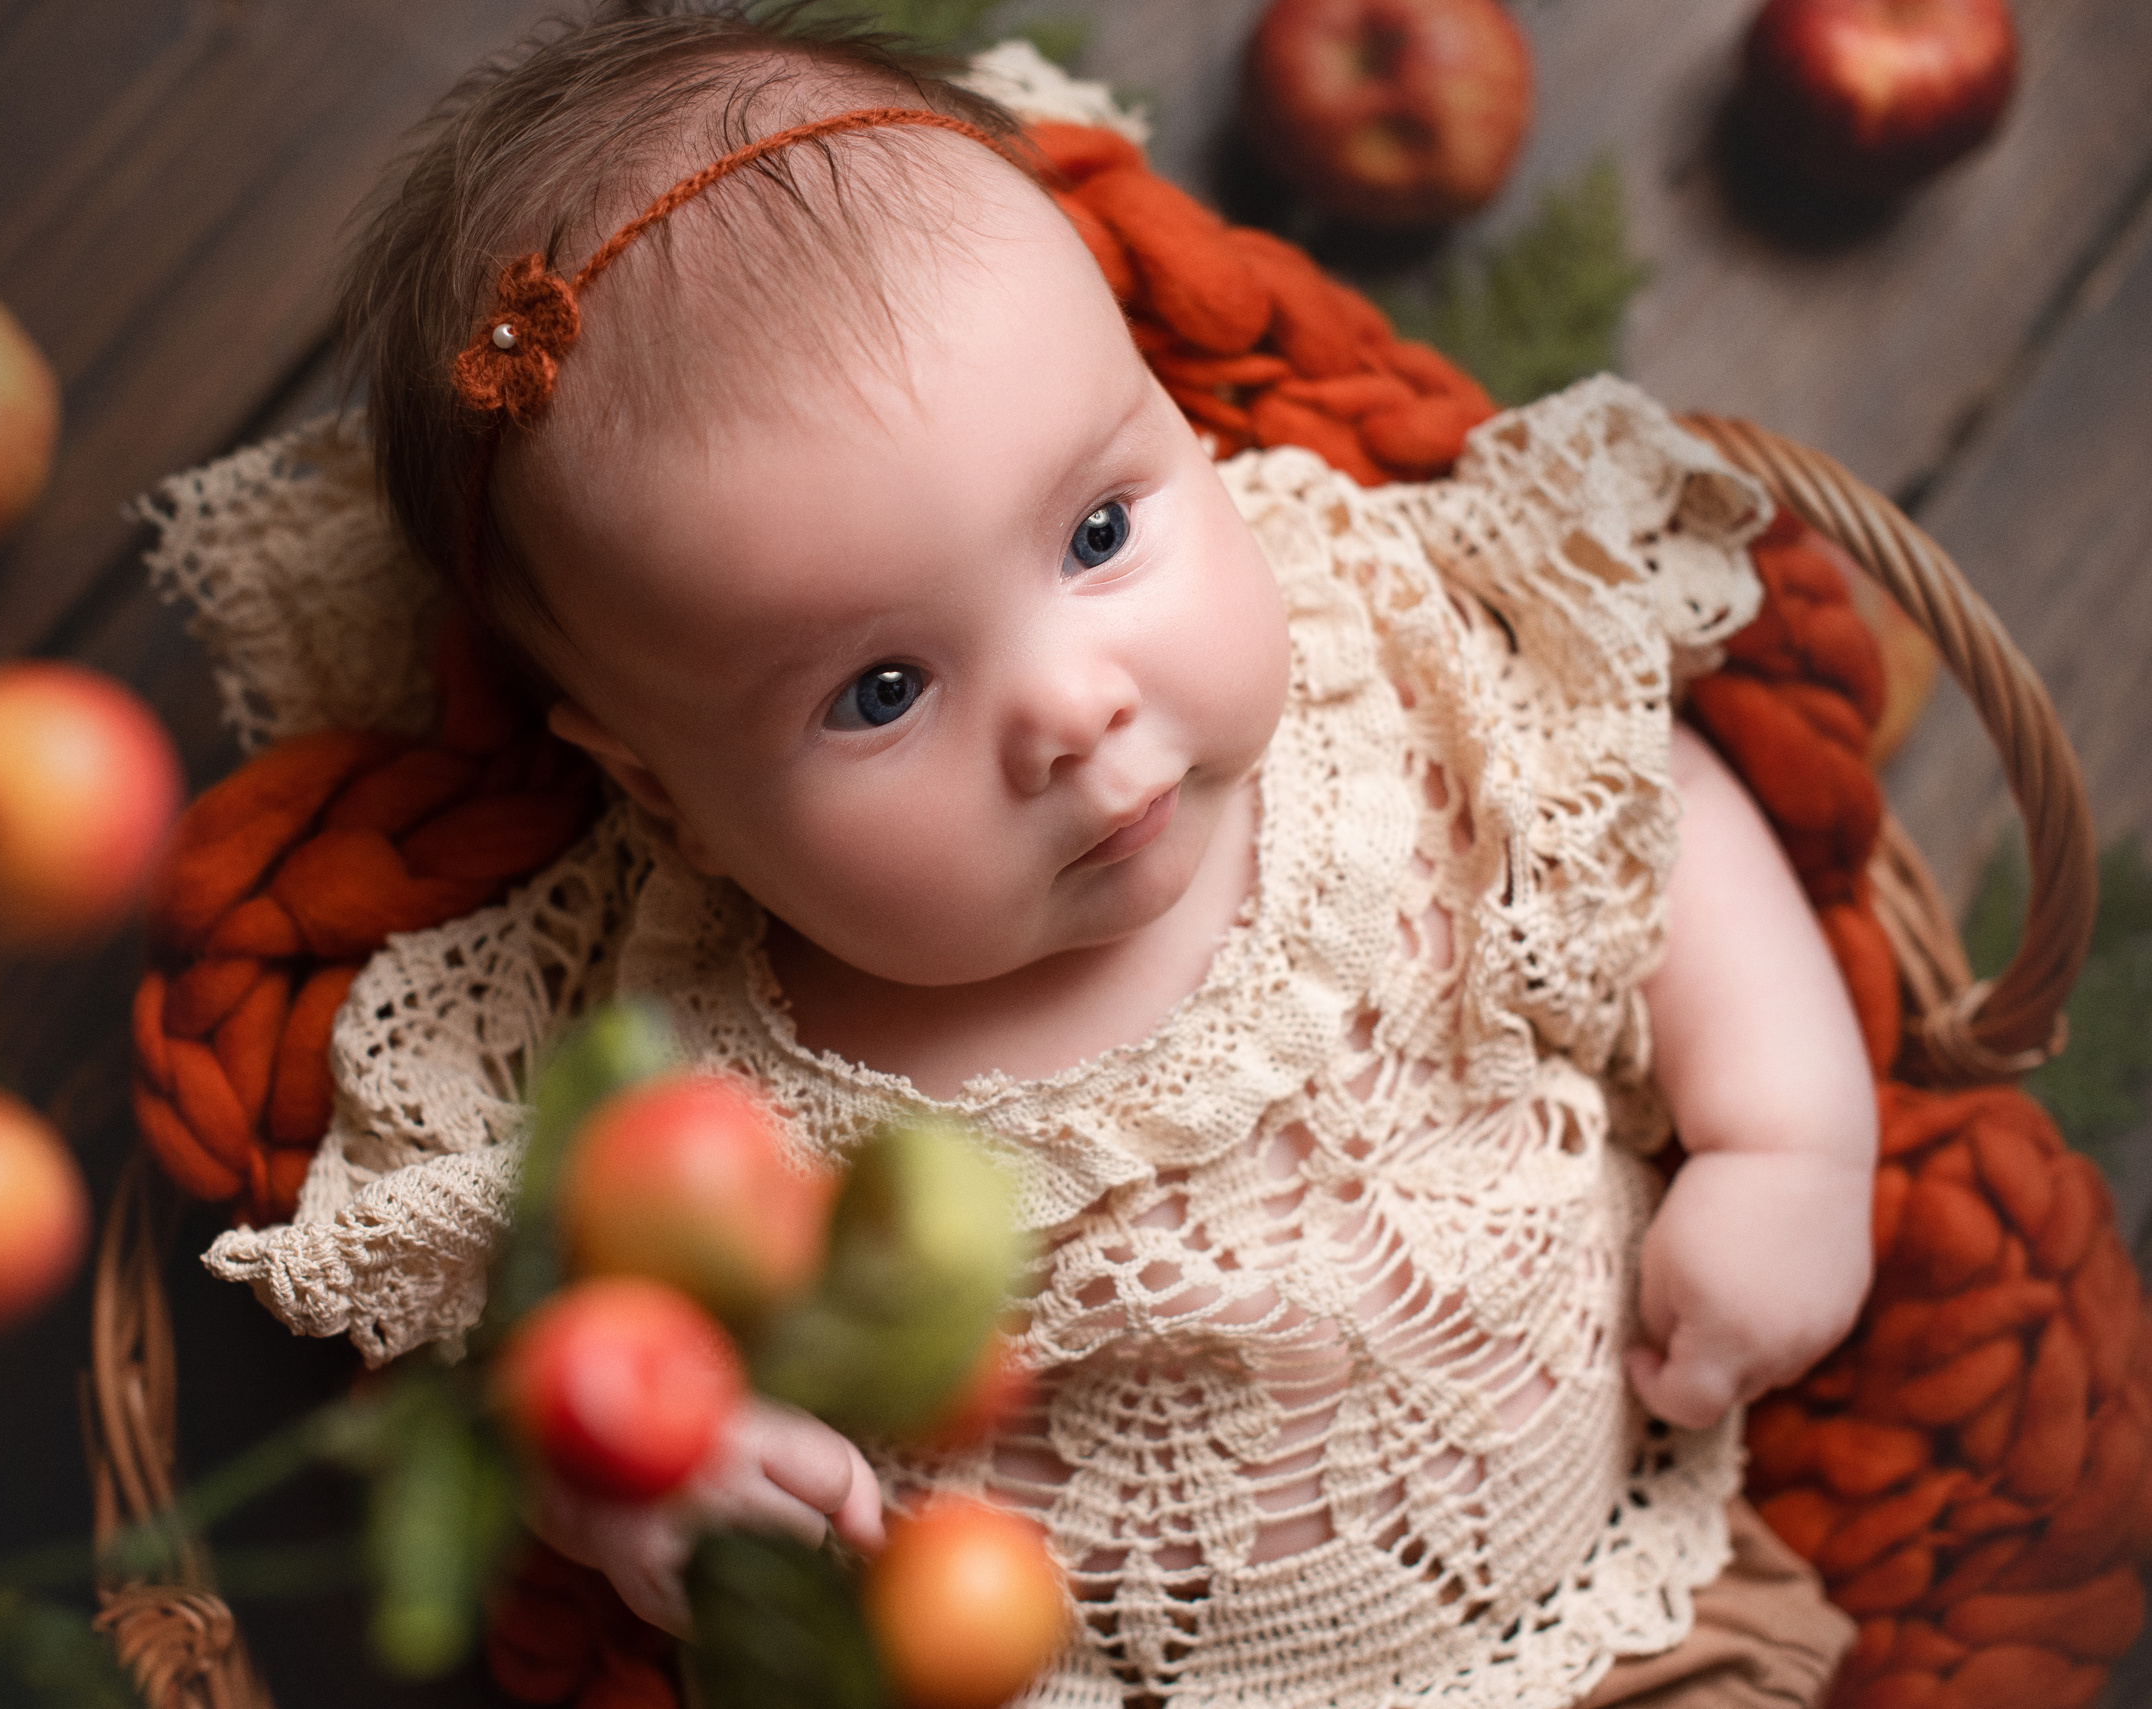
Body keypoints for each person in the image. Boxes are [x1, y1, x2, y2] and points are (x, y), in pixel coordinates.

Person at [204, 5, 1877, 1703]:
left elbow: (1642, 797)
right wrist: (650, 1472)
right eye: (880, 690)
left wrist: (1788, 1145)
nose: (1073, 709)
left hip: (1642, 1623)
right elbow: (524, 1363)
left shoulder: (1383, 655)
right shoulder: (675, 1088)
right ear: (667, 792)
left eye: (1096, 531)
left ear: (1176, 415)